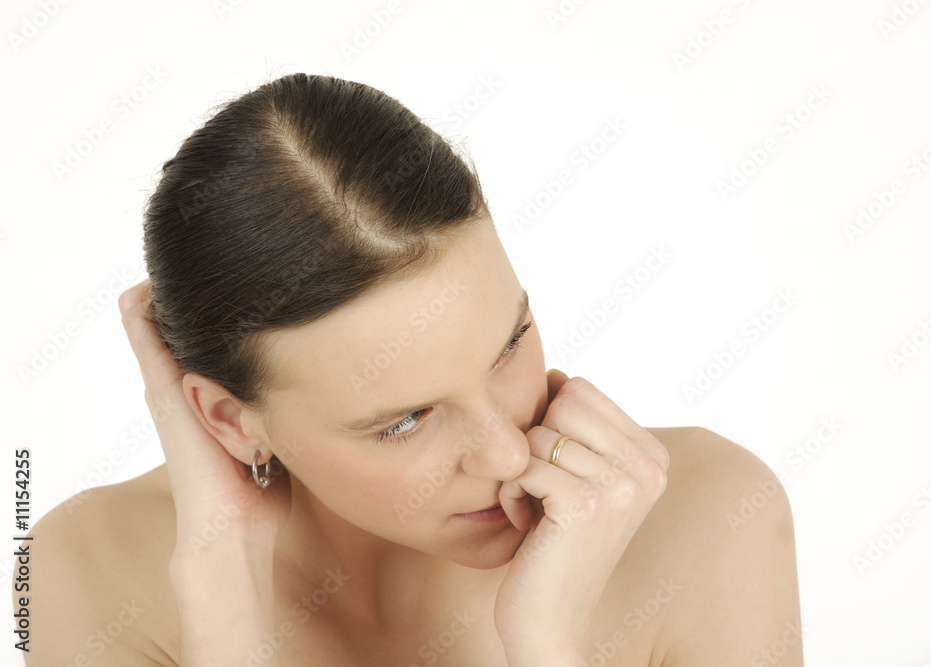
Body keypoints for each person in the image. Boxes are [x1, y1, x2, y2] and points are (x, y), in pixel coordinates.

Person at [21, 73, 803, 666]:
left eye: (510, 344)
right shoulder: (83, 567)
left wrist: (547, 642)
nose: (508, 453)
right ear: (230, 420)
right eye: (404, 420)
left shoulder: (707, 515)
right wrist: (221, 586)